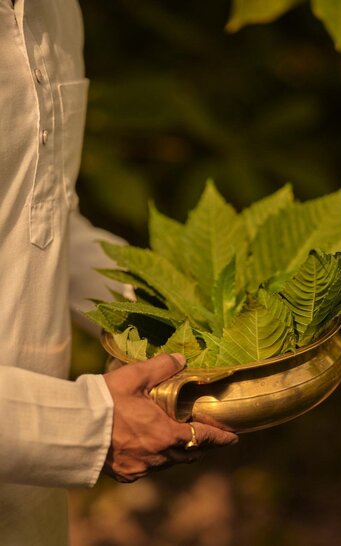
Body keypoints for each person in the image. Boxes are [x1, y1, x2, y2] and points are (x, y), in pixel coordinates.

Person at [0, 1, 238, 544]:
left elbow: (45, 220)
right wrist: (86, 428)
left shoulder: (58, 13)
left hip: (28, 515)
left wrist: (185, 320)